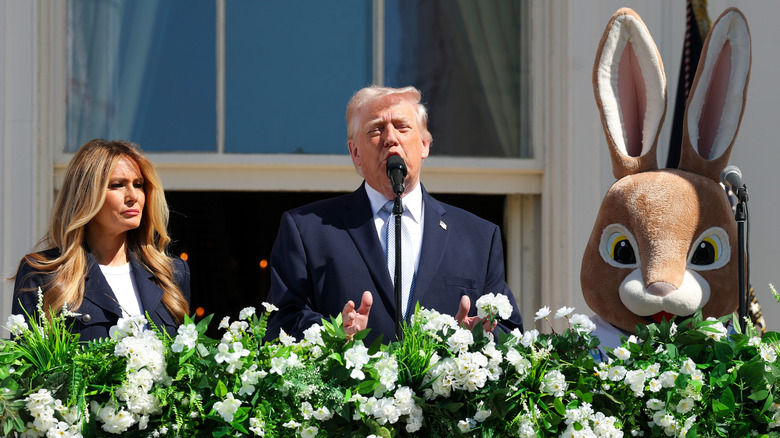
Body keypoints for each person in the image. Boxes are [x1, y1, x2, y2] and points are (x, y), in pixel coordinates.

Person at [266, 85, 523, 344]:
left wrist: (479, 337)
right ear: (355, 152)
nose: (390, 138)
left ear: (424, 145)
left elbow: (510, 331)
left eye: (402, 127)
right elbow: (281, 321)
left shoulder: (478, 237)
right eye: (376, 130)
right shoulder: (307, 230)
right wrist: (333, 334)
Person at [11, 139, 190, 341]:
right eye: (117, 185)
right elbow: (25, 368)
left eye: (138, 185)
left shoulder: (170, 274)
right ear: (86, 195)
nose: (133, 196)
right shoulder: (42, 273)